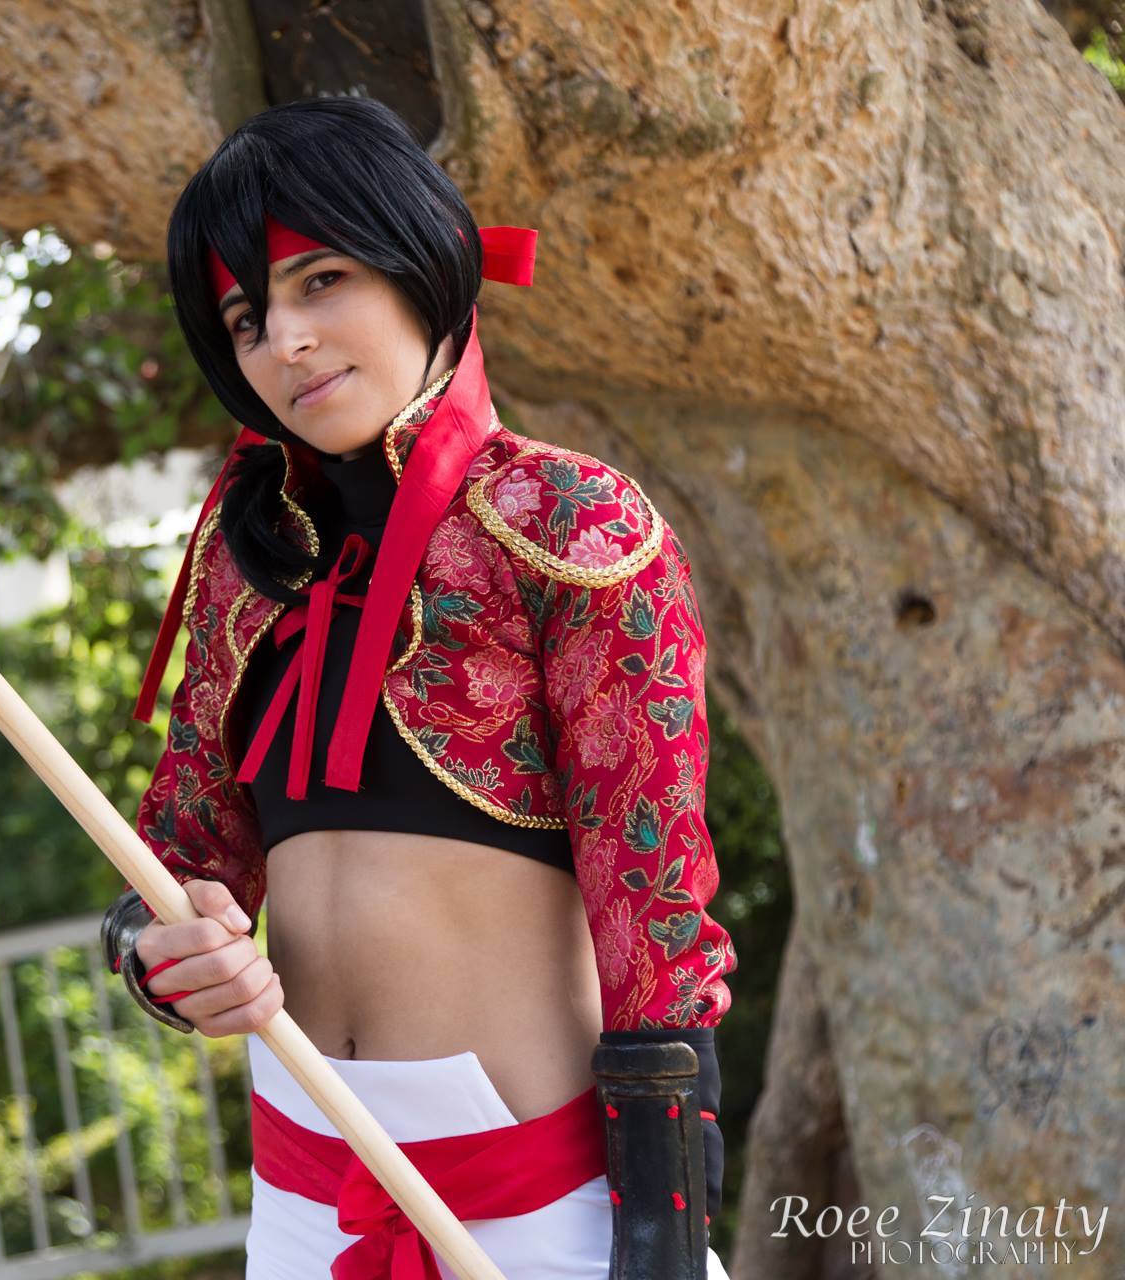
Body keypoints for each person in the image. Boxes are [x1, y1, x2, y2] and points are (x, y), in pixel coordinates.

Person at [98, 96, 738, 1279]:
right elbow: (182, 855)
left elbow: (653, 910)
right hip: (306, 1208)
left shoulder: (572, 523)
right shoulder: (248, 562)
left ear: (421, 258)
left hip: (552, 1218)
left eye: (321, 280)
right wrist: (162, 954)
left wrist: (660, 1229)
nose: (286, 341)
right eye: (246, 318)